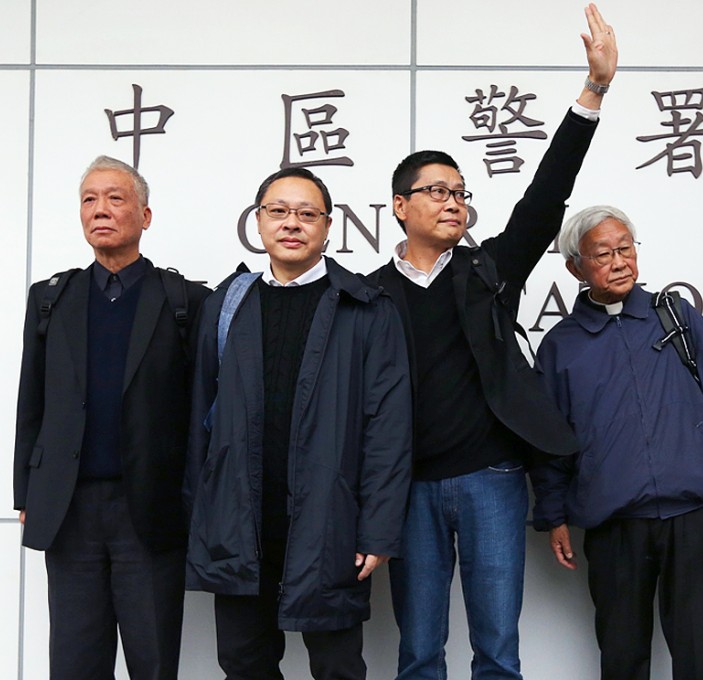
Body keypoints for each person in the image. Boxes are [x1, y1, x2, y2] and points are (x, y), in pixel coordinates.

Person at [364, 5, 617, 678]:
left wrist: (592, 93)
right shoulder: (364, 294)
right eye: (436, 191)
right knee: (418, 651)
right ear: (399, 205)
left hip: (491, 479)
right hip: (408, 486)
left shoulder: (489, 271)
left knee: (497, 652)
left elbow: (544, 197)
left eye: (461, 192)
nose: (453, 201)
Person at [184, 167, 413, 680]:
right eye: (279, 212)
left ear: (328, 226)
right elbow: (199, 420)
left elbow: (388, 430)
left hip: (329, 523)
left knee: (336, 665)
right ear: (258, 222)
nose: (293, 224)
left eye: (307, 214)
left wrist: (377, 529)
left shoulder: (367, 309)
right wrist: (201, 515)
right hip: (241, 525)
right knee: (244, 663)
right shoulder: (227, 305)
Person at [529, 205, 703, 680]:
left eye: (625, 249)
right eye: (603, 254)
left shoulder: (676, 316)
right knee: (622, 653)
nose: (619, 262)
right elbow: (548, 441)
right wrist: (552, 513)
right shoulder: (561, 345)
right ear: (575, 267)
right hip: (615, 521)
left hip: (694, 512)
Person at [13, 155, 209, 679]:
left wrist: (194, 496)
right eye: (89, 199)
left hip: (150, 509)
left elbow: (202, 415)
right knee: (75, 663)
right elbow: (31, 401)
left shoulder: (186, 301)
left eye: (115, 198)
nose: (100, 210)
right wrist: (25, 493)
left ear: (145, 216)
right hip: (69, 507)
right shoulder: (51, 299)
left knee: (153, 660)